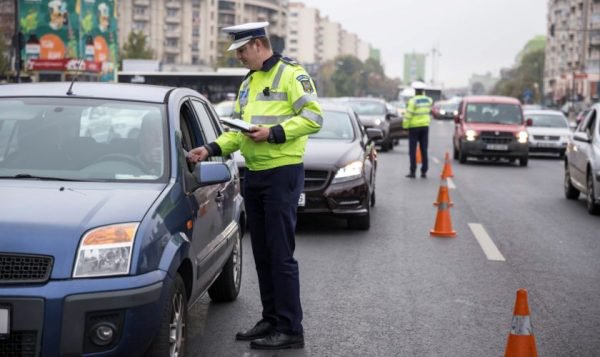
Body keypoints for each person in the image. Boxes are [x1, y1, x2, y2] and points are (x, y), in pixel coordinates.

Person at [187, 22, 322, 350]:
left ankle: (290, 328)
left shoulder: (292, 74)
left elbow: (314, 118)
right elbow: (237, 130)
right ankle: (271, 319)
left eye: (242, 51)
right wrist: (210, 149)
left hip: (282, 174)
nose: (239, 58)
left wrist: (274, 133)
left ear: (260, 44)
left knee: (280, 255)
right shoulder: (247, 82)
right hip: (256, 175)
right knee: (262, 253)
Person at [403, 81, 433, 178]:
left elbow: (408, 115)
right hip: (425, 127)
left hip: (414, 128)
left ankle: (413, 171)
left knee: (412, 150)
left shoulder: (413, 101)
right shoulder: (429, 100)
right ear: (423, 91)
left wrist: (405, 126)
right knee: (424, 149)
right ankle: (424, 171)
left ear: (415, 91)